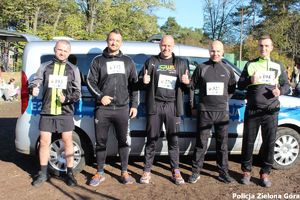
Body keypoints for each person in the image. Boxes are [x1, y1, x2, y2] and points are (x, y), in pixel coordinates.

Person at [86, 29, 139, 186]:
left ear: (121, 43)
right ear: (107, 40)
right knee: (101, 142)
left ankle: (124, 171)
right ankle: (100, 172)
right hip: (103, 109)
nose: (114, 42)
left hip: (122, 108)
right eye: (111, 39)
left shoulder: (128, 62)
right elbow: (90, 81)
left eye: (117, 40)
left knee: (123, 141)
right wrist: (100, 96)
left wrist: (134, 105)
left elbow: (134, 85)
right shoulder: (98, 61)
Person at [238, 34, 289, 187]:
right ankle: (246, 172)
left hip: (271, 111)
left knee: (269, 143)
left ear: (271, 48)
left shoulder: (278, 65)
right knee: (248, 142)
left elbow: (286, 85)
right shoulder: (250, 64)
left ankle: (265, 173)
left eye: (267, 46)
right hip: (253, 110)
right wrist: (249, 80)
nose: (264, 48)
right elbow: (240, 85)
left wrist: (280, 91)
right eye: (261, 45)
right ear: (258, 47)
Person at [138, 35, 190, 185]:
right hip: (155, 105)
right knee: (152, 139)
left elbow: (189, 86)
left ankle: (176, 170)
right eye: (163, 45)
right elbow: (141, 83)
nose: (166, 48)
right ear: (160, 46)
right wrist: (144, 81)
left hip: (172, 106)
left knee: (173, 140)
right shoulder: (151, 62)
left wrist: (187, 83)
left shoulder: (180, 63)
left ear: (173, 46)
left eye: (169, 46)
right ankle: (147, 170)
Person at [29, 40, 81, 187]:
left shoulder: (73, 69)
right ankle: (43, 173)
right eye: (59, 49)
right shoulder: (45, 66)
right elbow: (35, 82)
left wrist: (67, 98)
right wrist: (33, 88)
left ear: (69, 52)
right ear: (55, 50)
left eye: (65, 50)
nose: (62, 52)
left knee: (68, 141)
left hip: (65, 111)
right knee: (44, 141)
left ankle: (69, 173)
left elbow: (77, 93)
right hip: (47, 110)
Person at [188, 40, 236, 184]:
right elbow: (191, 87)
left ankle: (223, 173)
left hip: (222, 112)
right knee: (201, 143)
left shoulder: (228, 70)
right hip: (205, 112)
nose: (215, 54)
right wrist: (193, 106)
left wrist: (223, 99)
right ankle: (196, 172)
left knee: (222, 145)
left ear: (223, 52)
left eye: (218, 51)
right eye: (213, 51)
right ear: (209, 51)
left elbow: (232, 89)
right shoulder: (202, 68)